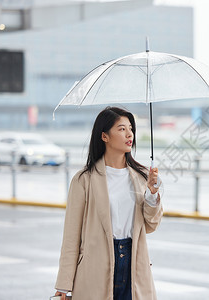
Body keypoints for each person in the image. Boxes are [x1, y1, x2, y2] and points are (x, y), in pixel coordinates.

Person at [53, 106, 163, 300]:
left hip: (134, 264)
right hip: (95, 267)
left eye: (130, 128)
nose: (130, 134)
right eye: (121, 129)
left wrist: (152, 193)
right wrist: (64, 284)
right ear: (104, 136)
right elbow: (71, 237)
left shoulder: (141, 177)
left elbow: (151, 225)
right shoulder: (83, 180)